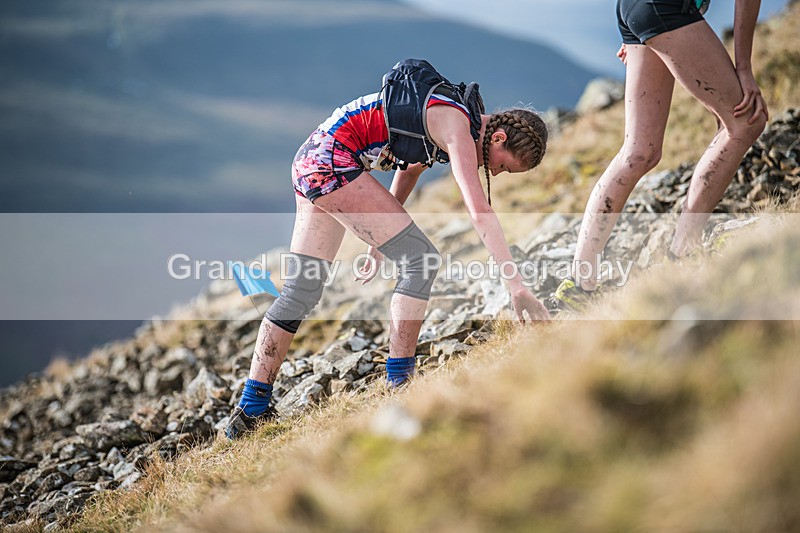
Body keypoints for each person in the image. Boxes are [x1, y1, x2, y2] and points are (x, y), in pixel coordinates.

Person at [225, 61, 551, 439]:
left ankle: (250, 409)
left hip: (312, 157)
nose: (494, 174)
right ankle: (400, 385)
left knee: (302, 290)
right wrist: (517, 287)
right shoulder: (460, 128)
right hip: (333, 162)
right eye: (504, 167)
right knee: (422, 260)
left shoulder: (453, 112)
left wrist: (378, 240)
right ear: (498, 140)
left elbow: (410, 167)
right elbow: (479, 211)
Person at [555, 0, 768, 310]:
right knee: (746, 122)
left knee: (639, 152)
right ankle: (684, 252)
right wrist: (743, 68)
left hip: (635, 8)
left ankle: (578, 286)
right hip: (665, 8)